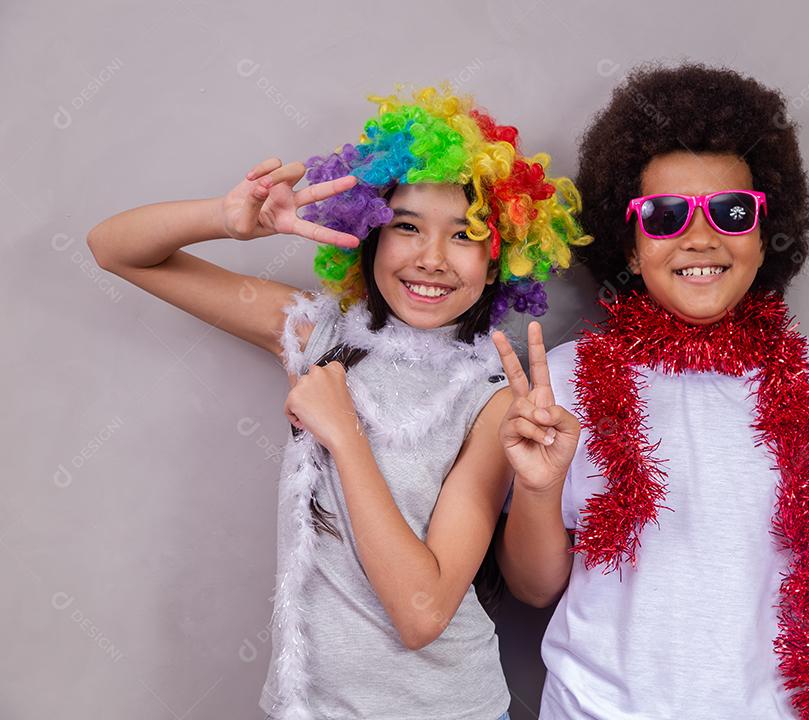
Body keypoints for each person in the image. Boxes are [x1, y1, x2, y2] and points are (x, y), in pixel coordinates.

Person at [493, 63, 809, 719]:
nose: (701, 236)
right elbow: (532, 589)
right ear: (632, 246)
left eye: (731, 212)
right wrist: (535, 486)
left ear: (764, 235)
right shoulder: (563, 379)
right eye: (666, 215)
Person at [87, 84, 589, 720]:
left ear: (496, 262)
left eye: (464, 235)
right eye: (406, 227)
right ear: (370, 236)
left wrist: (344, 436)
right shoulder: (315, 335)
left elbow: (423, 614)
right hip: (306, 704)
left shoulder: (491, 406)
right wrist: (228, 220)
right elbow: (114, 248)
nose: (431, 258)